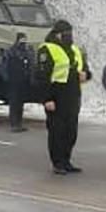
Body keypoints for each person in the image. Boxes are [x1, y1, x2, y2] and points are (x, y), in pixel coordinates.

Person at [37, 19, 90, 175]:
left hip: (73, 96)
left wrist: (86, 75)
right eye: (65, 34)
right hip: (56, 96)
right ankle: (57, 163)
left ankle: (66, 160)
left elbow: (86, 70)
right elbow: (42, 76)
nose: (69, 36)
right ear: (57, 34)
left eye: (70, 33)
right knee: (57, 132)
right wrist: (46, 99)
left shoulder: (75, 50)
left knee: (71, 132)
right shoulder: (47, 49)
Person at [0, 32, 34, 133]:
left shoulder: (27, 52)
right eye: (22, 40)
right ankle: (14, 124)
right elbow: (4, 65)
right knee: (14, 103)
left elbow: (30, 65)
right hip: (13, 80)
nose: (23, 42)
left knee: (20, 103)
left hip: (23, 81)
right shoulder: (11, 51)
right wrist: (6, 78)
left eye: (25, 40)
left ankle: (19, 123)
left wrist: (31, 78)